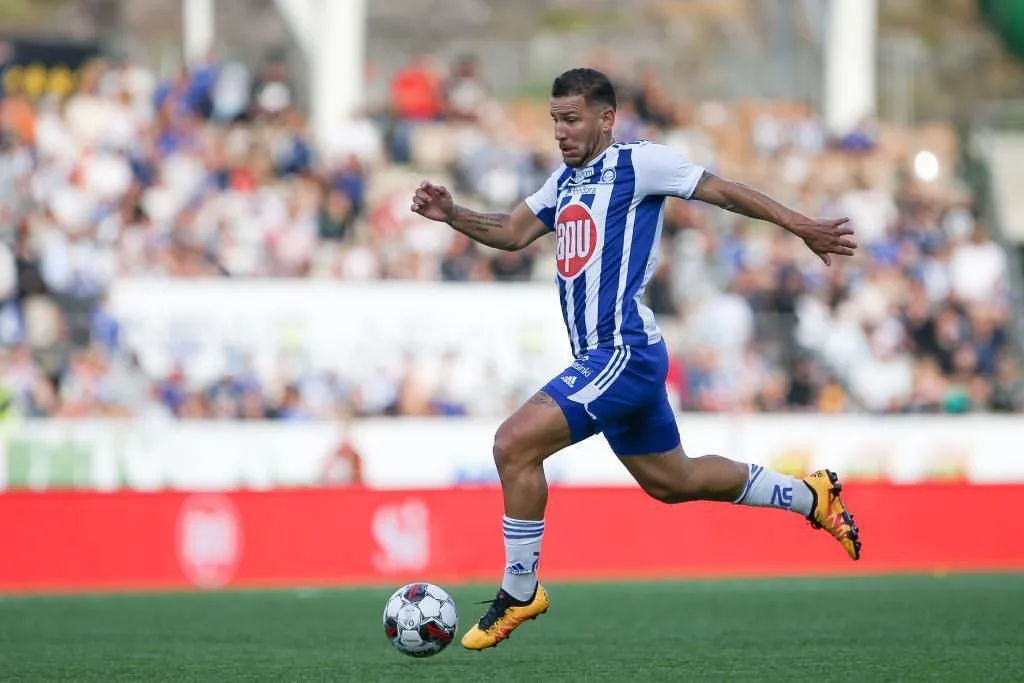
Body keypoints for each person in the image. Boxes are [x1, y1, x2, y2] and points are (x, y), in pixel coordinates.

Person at [410, 68, 861, 651]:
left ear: (605, 118)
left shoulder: (641, 162)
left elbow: (722, 190)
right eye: (554, 121)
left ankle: (519, 591)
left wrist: (801, 226)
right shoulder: (564, 182)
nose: (561, 132)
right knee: (675, 482)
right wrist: (454, 214)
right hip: (617, 358)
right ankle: (811, 495)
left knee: (512, 444)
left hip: (620, 352)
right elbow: (513, 232)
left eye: (571, 119)